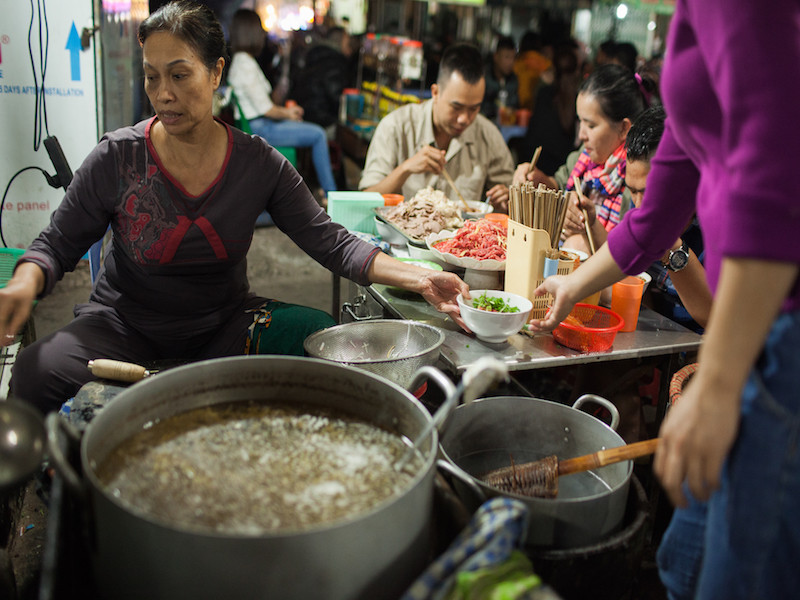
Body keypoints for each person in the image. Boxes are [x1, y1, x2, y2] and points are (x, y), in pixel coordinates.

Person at [1, 0, 472, 414]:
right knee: (34, 370)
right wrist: (25, 282)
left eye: (179, 75)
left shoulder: (257, 163)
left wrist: (420, 278)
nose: (163, 93)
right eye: (152, 76)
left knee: (322, 337)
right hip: (124, 329)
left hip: (224, 328)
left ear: (216, 73)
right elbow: (56, 245)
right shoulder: (118, 157)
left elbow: (331, 242)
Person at [527, 1, 800, 597]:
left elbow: (773, 179)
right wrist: (573, 284)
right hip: (753, 335)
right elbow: (654, 218)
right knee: (685, 563)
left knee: (740, 577)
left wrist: (719, 381)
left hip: (779, 329)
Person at [511, 64, 656, 256]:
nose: (581, 135)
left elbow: (629, 251)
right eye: (580, 122)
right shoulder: (585, 157)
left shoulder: (637, 176)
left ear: (623, 128)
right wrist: (539, 179)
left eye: (591, 125)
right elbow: (559, 183)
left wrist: (589, 227)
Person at [358, 42, 514, 209]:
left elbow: (510, 198)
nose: (464, 119)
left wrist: (506, 198)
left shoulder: (488, 135)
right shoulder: (396, 126)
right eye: (456, 107)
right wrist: (405, 169)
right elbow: (365, 200)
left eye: (474, 109)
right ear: (435, 92)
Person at [226, 9, 338, 196]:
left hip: (259, 125)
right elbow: (267, 109)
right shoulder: (245, 65)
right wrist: (289, 113)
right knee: (318, 134)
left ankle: (324, 193)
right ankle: (331, 194)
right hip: (261, 128)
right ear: (251, 32)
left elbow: (268, 102)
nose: (263, 34)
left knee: (311, 130)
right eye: (260, 30)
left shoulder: (243, 61)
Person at [626, 105, 711, 331]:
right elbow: (623, 263)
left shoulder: (719, 224)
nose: (639, 205)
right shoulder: (638, 206)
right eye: (632, 190)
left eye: (649, 192)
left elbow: (716, 318)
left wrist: (670, 246)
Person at [290, 26, 354, 131]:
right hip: (322, 121)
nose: (350, 49)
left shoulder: (314, 54)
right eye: (348, 44)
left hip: (305, 116)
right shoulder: (334, 61)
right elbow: (336, 97)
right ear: (340, 43)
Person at [480, 35, 518, 124]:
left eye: (513, 58)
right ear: (496, 57)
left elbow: (514, 106)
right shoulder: (483, 77)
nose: (510, 62)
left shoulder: (513, 80)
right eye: (507, 57)